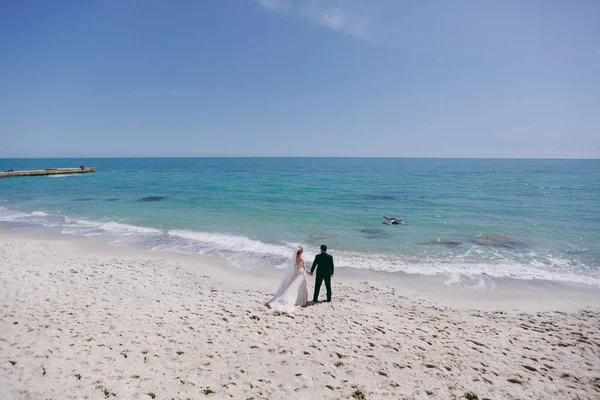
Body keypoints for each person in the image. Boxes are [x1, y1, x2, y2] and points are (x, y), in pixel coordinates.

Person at [268, 247, 310, 312]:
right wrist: (309, 273)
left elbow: (294, 267)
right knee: (301, 287)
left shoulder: (294, 259)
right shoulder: (301, 260)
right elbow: (304, 268)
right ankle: (300, 300)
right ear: (301, 253)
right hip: (301, 274)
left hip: (295, 274)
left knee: (293, 287)